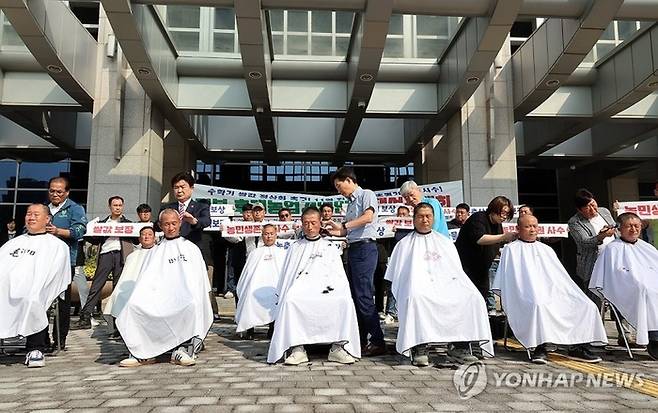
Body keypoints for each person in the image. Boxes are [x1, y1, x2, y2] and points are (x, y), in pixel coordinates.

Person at [385, 203, 493, 366]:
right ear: (413, 219)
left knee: (471, 297)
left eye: (428, 216)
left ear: (434, 219)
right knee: (417, 298)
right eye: (421, 216)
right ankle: (419, 346)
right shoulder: (404, 244)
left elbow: (455, 271)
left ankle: (459, 346)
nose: (425, 220)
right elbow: (397, 276)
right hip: (418, 286)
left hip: (445, 285)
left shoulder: (445, 242)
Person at [494, 214, 607, 364]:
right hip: (526, 294)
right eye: (527, 227)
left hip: (554, 291)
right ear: (518, 229)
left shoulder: (546, 249)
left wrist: (563, 293)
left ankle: (578, 346)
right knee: (539, 305)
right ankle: (540, 347)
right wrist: (532, 292)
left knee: (586, 305)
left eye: (534, 226)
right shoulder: (511, 249)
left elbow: (560, 277)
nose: (532, 230)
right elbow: (511, 280)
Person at [116, 209, 213, 367]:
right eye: (166, 224)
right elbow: (146, 281)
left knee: (193, 304)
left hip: (185, 297)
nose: (171, 227)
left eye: (174, 223)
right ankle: (141, 353)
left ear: (180, 223)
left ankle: (183, 350)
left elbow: (199, 282)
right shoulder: (155, 251)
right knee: (133, 306)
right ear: (160, 226)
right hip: (159, 297)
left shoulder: (191, 249)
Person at [268, 207, 360, 365]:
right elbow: (288, 276)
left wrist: (336, 290)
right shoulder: (295, 247)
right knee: (291, 301)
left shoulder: (330, 247)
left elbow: (338, 277)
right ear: (301, 224)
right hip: (300, 289)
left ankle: (337, 348)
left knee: (343, 300)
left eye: (313, 223)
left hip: (327, 289)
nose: (310, 227)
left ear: (320, 223)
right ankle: (297, 349)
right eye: (306, 223)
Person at [324, 167, 386, 357]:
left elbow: (368, 218)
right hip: (353, 249)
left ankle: (377, 341)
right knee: (354, 296)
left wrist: (343, 226)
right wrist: (332, 230)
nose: (338, 190)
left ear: (349, 180)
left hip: (365, 249)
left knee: (364, 296)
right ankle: (359, 338)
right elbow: (345, 231)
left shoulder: (366, 194)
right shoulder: (350, 205)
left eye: (339, 185)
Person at [0, 204, 71, 368]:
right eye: (28, 214)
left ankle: (35, 348)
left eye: (36, 214)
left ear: (47, 219)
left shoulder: (57, 246)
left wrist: (37, 285)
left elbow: (56, 273)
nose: (31, 217)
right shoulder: (13, 243)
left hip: (37, 288)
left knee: (33, 299)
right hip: (7, 287)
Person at [590, 212, 658, 359]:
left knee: (652, 291)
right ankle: (654, 338)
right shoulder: (612, 249)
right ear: (620, 229)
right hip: (627, 289)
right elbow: (616, 276)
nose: (633, 229)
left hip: (650, 286)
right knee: (646, 291)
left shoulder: (647, 248)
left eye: (636, 226)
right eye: (629, 226)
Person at [73, 196, 134, 330]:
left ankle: (119, 320)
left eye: (120, 205)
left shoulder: (128, 223)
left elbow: (135, 240)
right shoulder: (102, 223)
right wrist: (92, 231)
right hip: (105, 255)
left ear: (122, 207)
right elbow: (93, 240)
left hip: (121, 256)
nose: (117, 207)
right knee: (96, 285)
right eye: (115, 205)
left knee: (119, 287)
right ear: (110, 207)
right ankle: (85, 316)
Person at [45, 176, 87, 351]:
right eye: (52, 191)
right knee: (42, 302)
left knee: (62, 301)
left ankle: (60, 340)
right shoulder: (43, 209)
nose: (55, 194)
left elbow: (80, 230)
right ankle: (41, 340)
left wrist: (58, 231)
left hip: (64, 261)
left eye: (59, 191)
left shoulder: (75, 209)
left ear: (67, 193)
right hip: (42, 261)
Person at [455, 196, 517, 311]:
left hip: (482, 270)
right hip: (465, 268)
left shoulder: (497, 225)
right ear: (494, 209)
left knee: (481, 299)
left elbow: (497, 244)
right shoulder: (478, 218)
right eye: (502, 213)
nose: (504, 217)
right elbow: (480, 239)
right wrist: (503, 237)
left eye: (506, 214)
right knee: (466, 301)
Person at [235, 224, 286, 340]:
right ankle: (250, 329)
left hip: (274, 288)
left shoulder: (282, 253)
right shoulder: (254, 253)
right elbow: (246, 275)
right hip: (255, 287)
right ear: (262, 236)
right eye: (266, 234)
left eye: (271, 234)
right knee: (248, 297)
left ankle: (272, 328)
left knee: (277, 298)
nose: (269, 237)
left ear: (276, 235)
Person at [567, 188, 616, 294]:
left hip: (613, 260)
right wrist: (601, 236)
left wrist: (610, 229)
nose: (593, 209)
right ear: (579, 210)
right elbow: (584, 243)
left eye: (593, 204)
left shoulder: (604, 211)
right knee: (595, 296)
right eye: (587, 207)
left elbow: (615, 228)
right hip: (593, 263)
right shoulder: (575, 222)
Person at [103, 226, 156, 325]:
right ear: (139, 239)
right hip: (132, 287)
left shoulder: (159, 253)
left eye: (149, 235)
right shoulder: (132, 256)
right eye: (144, 235)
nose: (146, 237)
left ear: (154, 238)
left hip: (153, 288)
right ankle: (119, 326)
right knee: (120, 295)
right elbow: (126, 277)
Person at [161, 171, 211, 249]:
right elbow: (158, 225)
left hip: (192, 247)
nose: (179, 191)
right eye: (176, 187)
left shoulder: (201, 207)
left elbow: (206, 221)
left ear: (191, 188)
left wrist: (194, 221)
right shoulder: (166, 208)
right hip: (170, 248)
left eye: (182, 187)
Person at [224, 203, 253, 299]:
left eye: (250, 212)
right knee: (233, 269)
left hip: (251, 251)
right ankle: (231, 288)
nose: (248, 214)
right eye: (246, 212)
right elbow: (229, 235)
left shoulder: (257, 224)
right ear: (242, 213)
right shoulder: (236, 224)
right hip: (237, 249)